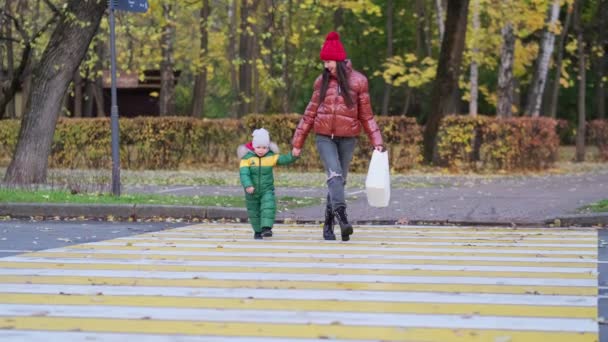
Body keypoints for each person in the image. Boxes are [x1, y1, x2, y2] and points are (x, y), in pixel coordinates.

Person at [291, 31, 383, 242]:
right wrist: (298, 142)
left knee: (339, 182)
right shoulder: (320, 82)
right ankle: (342, 218)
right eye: (324, 62)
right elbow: (310, 112)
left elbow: (366, 115)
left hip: (348, 138)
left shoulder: (359, 82)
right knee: (334, 175)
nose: (326, 66)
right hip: (324, 137)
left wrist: (376, 141)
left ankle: (328, 225)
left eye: (329, 61)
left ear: (340, 60)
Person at [238, 128, 298, 239]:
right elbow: (244, 174)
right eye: (258, 147)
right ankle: (257, 231)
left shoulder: (270, 157)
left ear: (268, 147)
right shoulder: (246, 159)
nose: (261, 150)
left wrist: (293, 155)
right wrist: (248, 185)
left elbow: (284, 159)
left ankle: (266, 228)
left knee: (268, 207)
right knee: (254, 212)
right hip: (251, 191)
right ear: (253, 146)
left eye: (264, 147)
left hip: (267, 189)